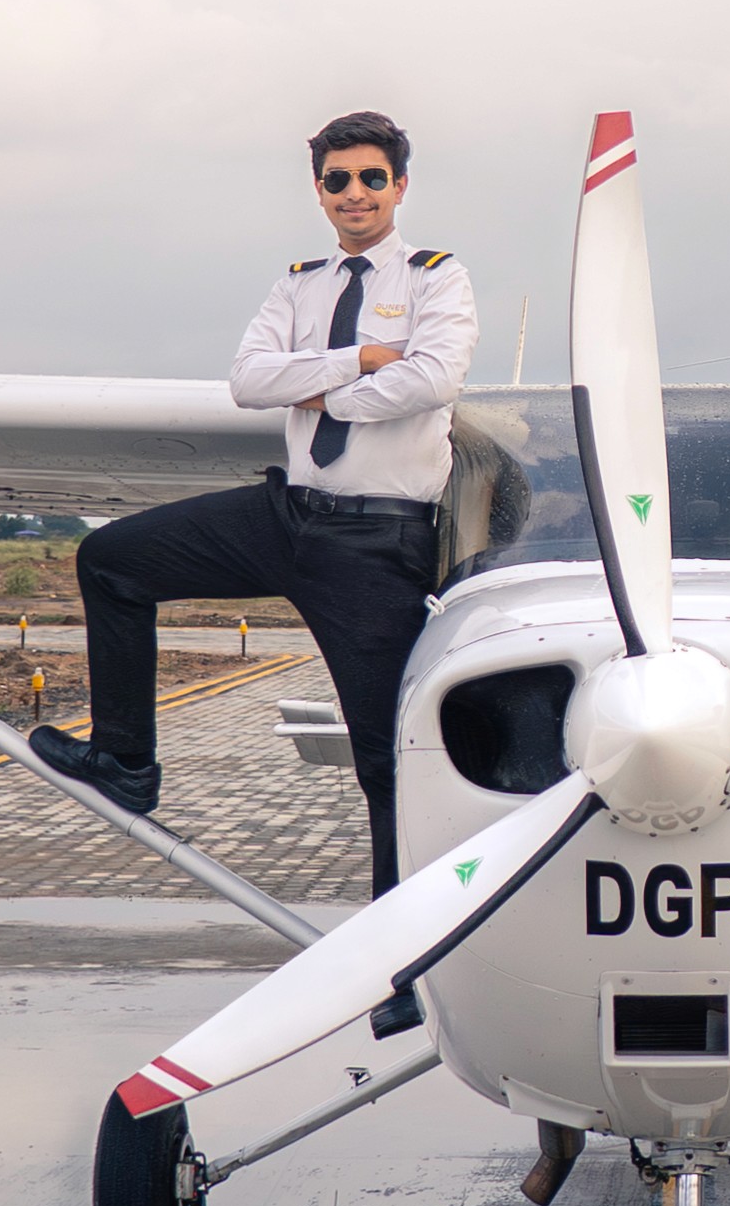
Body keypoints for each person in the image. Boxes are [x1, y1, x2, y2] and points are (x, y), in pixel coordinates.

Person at [34, 112, 472, 916]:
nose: (354, 193)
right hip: (287, 514)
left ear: (399, 186)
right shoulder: (298, 283)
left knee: (387, 761)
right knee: (112, 561)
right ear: (318, 190)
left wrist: (316, 386)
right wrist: (360, 360)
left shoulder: (435, 277)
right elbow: (247, 380)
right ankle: (125, 761)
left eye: (371, 178)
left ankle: (403, 956)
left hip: (376, 539)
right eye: (336, 180)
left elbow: (431, 381)